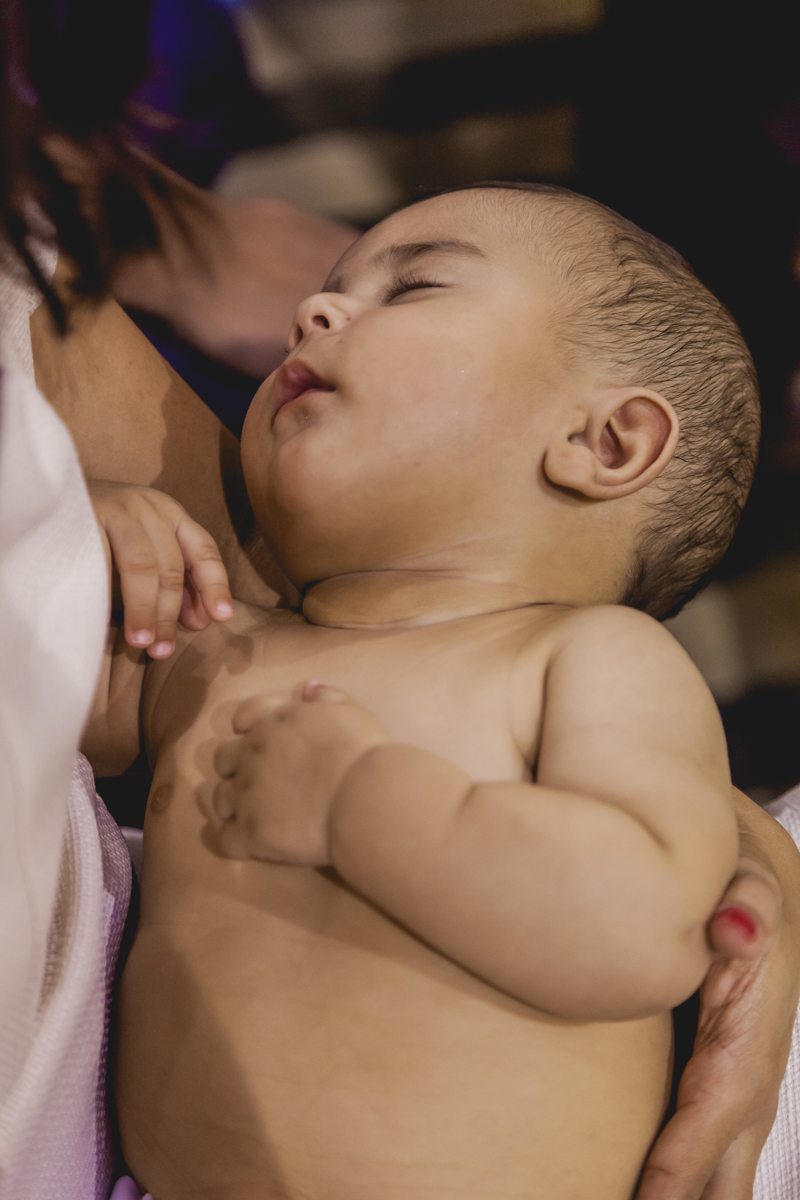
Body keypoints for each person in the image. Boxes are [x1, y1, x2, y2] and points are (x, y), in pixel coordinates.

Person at [76, 181, 797, 1198]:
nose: (313, 311)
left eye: (409, 288)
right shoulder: (216, 651)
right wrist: (73, 530)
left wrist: (357, 804)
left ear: (605, 443)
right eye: (331, 288)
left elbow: (636, 932)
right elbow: (36, 702)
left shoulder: (589, 660)